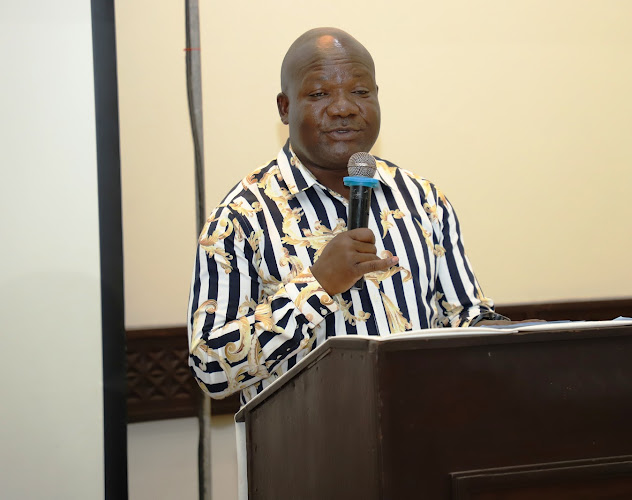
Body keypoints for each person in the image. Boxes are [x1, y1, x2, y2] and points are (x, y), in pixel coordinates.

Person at [187, 27, 509, 406]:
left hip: (420, 440)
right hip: (301, 452)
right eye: (320, 93)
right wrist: (318, 285)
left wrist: (507, 334)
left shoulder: (423, 199)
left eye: (360, 91)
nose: (344, 107)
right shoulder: (240, 217)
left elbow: (463, 316)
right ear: (285, 107)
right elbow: (210, 369)